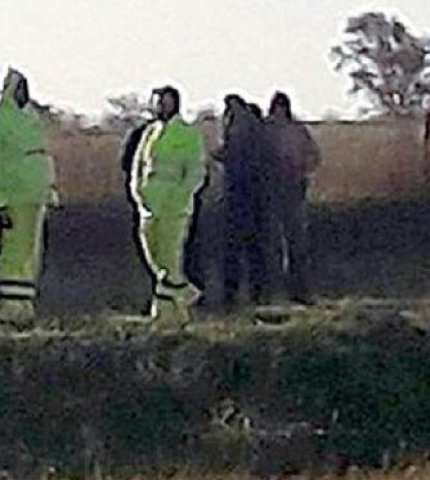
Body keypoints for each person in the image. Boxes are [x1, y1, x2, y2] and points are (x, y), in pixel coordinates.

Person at [0, 68, 56, 321]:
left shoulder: (32, 119)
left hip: (34, 196)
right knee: (10, 253)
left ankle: (24, 307)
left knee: (30, 254)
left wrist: (49, 191)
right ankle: (7, 308)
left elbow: (41, 156)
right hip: (12, 196)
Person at [129, 85, 206, 324]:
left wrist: (182, 195)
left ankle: (165, 313)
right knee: (153, 255)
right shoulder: (150, 132)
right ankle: (184, 293)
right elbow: (138, 165)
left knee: (170, 256)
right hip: (149, 204)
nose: (161, 106)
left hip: (174, 205)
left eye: (166, 101)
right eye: (158, 101)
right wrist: (138, 192)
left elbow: (195, 170)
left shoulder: (187, 132)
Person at [262, 91, 320, 301]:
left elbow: (314, 155)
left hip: (293, 188)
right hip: (271, 189)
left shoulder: (297, 130)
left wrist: (301, 169)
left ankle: (299, 289)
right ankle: (274, 289)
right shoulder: (266, 130)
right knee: (273, 242)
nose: (279, 112)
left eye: (282, 107)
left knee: (296, 240)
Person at [217, 94, 268, 307]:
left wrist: (222, 156)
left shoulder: (238, 128)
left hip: (238, 193)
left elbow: (234, 157)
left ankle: (232, 293)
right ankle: (255, 292)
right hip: (254, 194)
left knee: (235, 246)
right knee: (253, 246)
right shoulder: (255, 128)